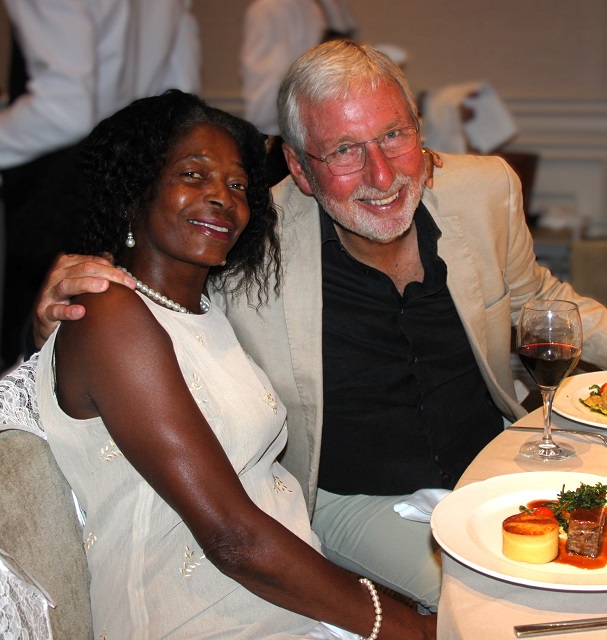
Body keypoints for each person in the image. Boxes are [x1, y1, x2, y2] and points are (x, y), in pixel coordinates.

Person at [31, 41, 607, 611]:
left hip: (492, 461)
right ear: (300, 169)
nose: (382, 175)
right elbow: (153, 297)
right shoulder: (251, 235)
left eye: (393, 136)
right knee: (510, 603)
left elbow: (537, 299)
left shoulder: (484, 191)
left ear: (419, 131)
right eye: (345, 151)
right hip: (355, 500)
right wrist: (58, 317)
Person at [25, 90, 434, 638]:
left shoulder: (207, 309)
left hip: (283, 597)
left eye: (238, 185)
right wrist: (408, 628)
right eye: (193, 175)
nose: (222, 196)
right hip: (201, 618)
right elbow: (233, 539)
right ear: (133, 191)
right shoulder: (108, 312)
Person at [0, 0, 200, 368]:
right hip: (130, 182)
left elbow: (64, 110)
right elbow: (178, 96)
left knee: (29, 349)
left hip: (51, 190)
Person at [241, 0, 356, 184]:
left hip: (281, 138)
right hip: (309, 131)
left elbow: (265, 93)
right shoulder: (307, 7)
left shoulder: (270, 8)